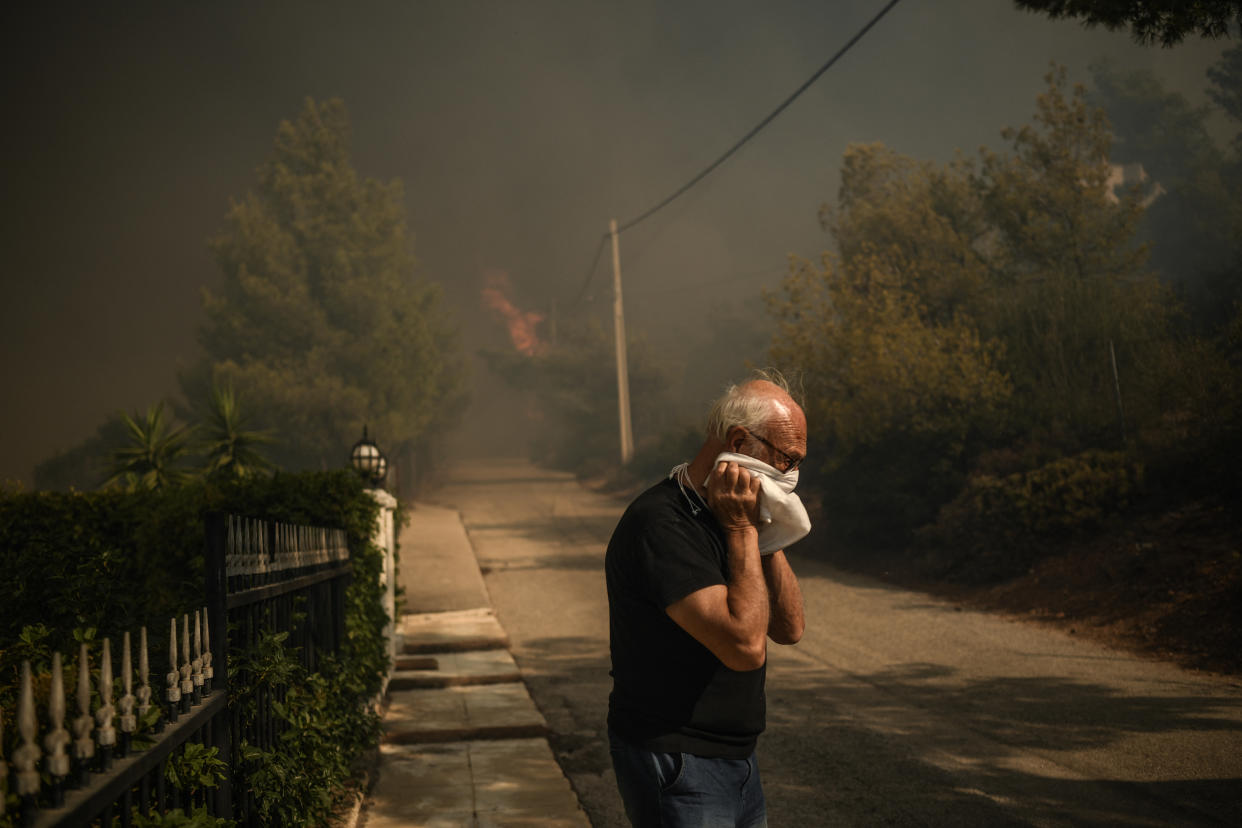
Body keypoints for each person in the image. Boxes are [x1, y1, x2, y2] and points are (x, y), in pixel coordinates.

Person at [605, 372, 808, 828]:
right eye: (787, 460)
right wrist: (740, 529)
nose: (792, 476)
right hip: (678, 758)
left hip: (737, 759)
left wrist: (765, 531)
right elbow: (745, 648)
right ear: (740, 441)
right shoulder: (661, 524)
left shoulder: (736, 514)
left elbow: (789, 628)